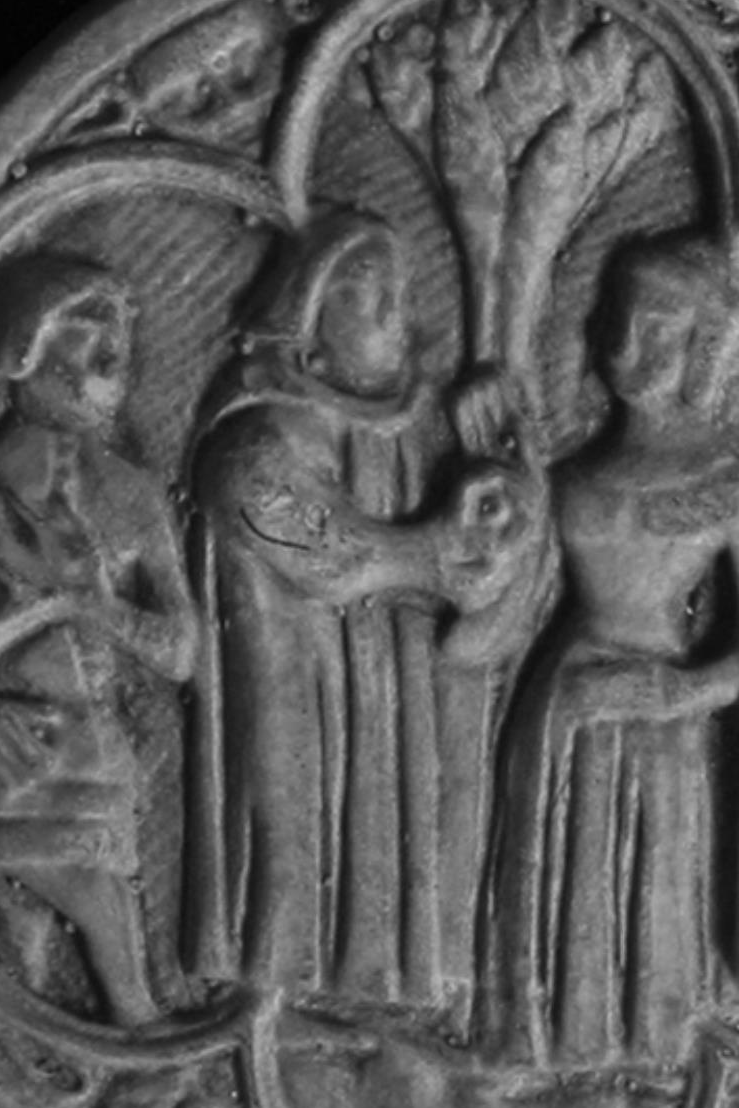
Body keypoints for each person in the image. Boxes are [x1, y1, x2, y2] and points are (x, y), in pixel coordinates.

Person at [481, 238, 739, 1073]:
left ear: (702, 347)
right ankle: (543, 1046)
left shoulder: (734, 493)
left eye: (660, 328)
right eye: (623, 319)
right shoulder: (570, 478)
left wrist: (674, 692)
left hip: (664, 727)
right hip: (558, 712)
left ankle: (648, 1060)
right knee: (556, 882)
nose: (633, 344)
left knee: (650, 885)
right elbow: (502, 611)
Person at [189, 215, 551, 1010]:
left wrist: (518, 482)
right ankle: (277, 993)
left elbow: (480, 614)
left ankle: (374, 990)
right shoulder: (257, 432)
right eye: (369, 296)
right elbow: (325, 552)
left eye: (400, 294)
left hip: (387, 695)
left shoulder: (402, 439)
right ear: (306, 334)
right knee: (294, 835)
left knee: (387, 833)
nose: (397, 314)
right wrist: (435, 552)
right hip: (294, 687)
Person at [0, 254, 199, 1026]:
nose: (112, 362)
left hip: (97, 757)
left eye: (117, 342)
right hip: (5, 760)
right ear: (25, 350)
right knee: (97, 962)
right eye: (88, 337)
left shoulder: (133, 496)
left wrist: (98, 609)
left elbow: (181, 651)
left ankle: (110, 1046)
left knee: (116, 960)